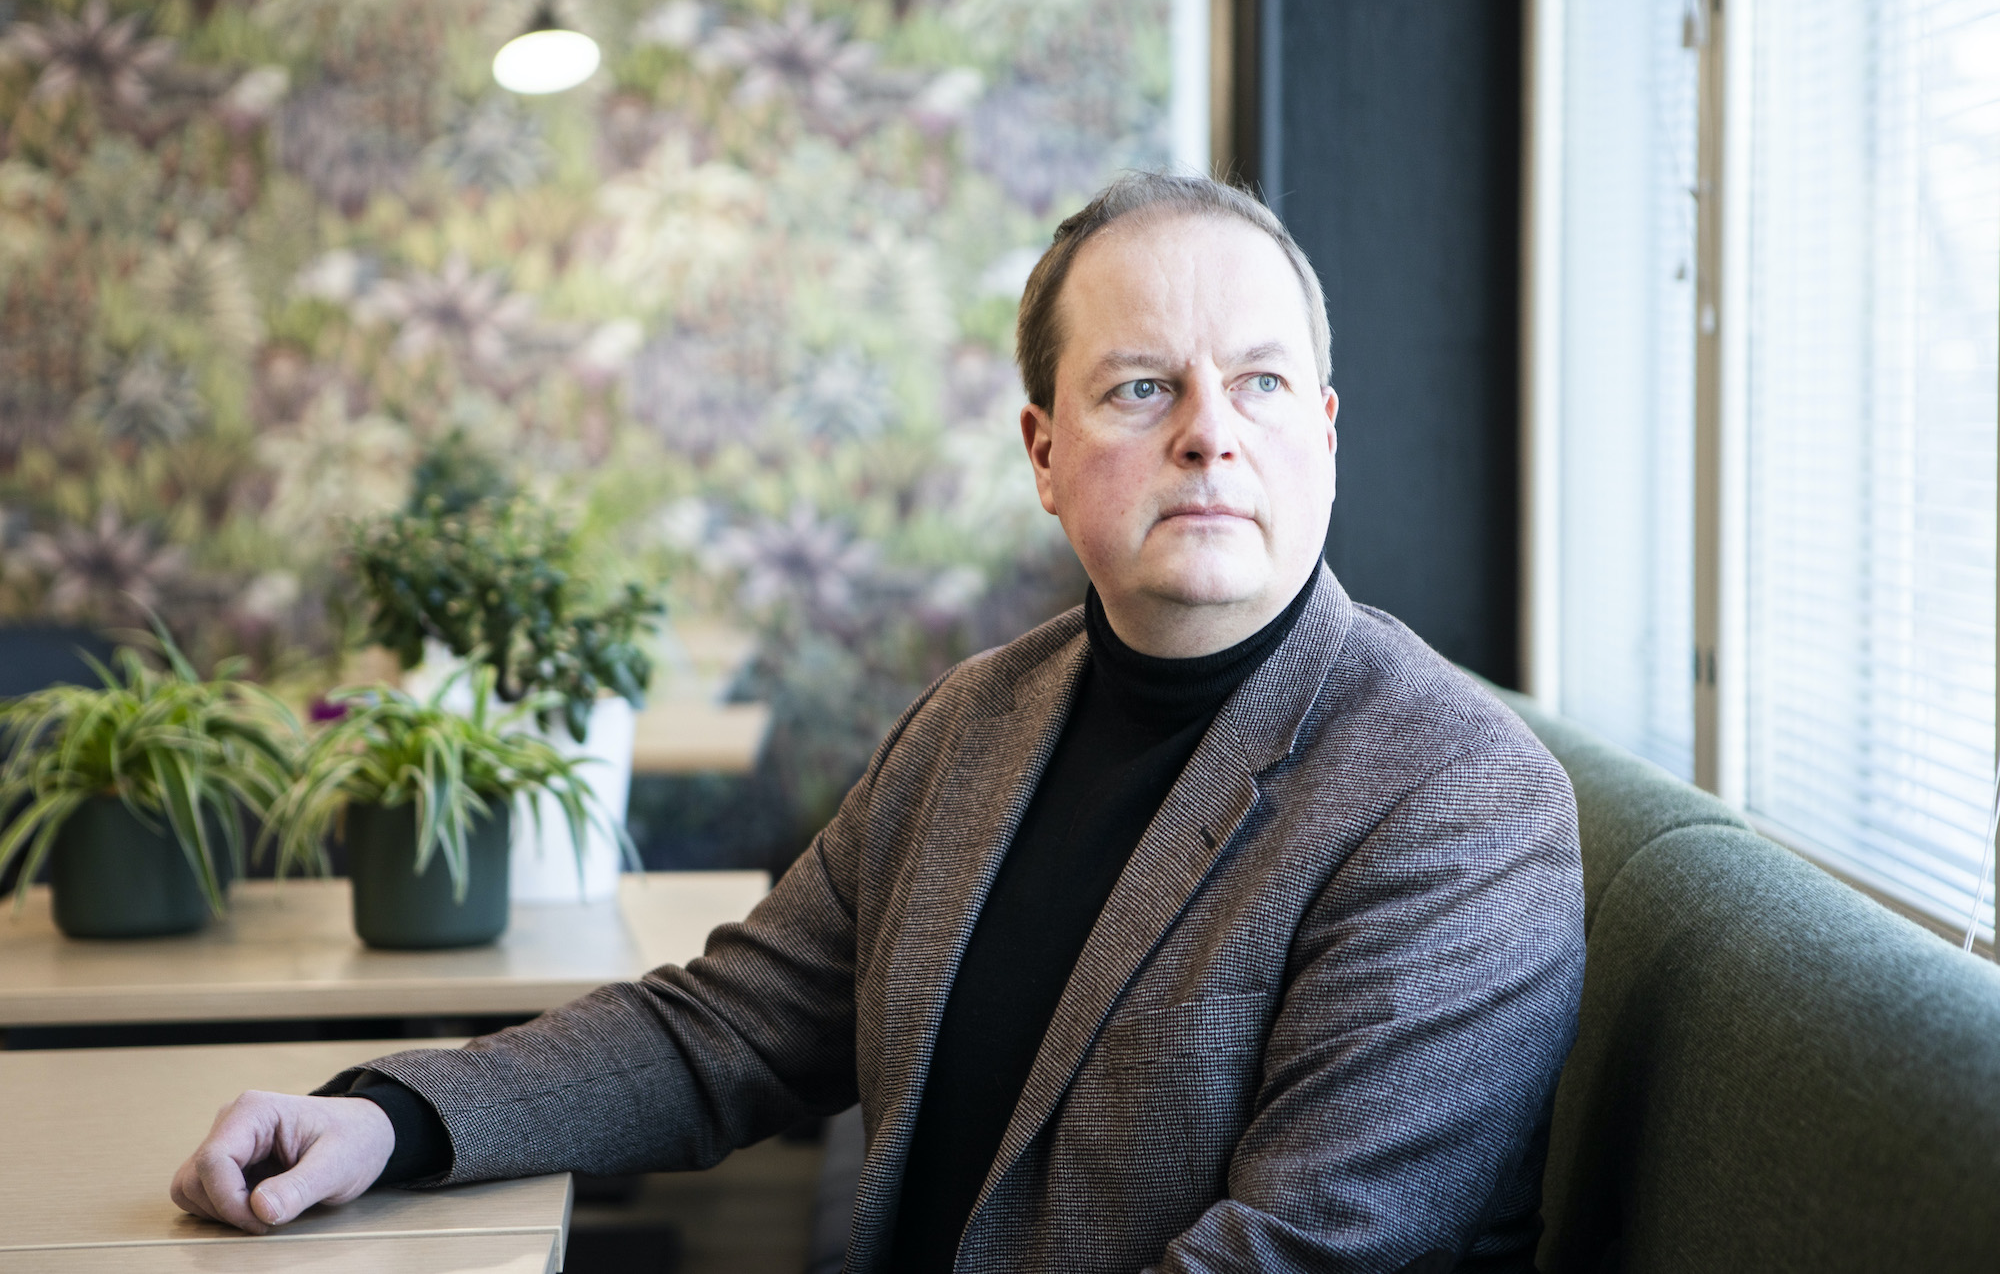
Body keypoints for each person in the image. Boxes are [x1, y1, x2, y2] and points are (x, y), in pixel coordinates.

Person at [171, 173, 1585, 1273]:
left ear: (1324, 433)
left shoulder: (1457, 796)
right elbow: (726, 1028)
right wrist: (391, 1117)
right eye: (1142, 387)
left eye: (1260, 383)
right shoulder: (976, 719)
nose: (1210, 431)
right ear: (1043, 452)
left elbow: (1298, 1258)